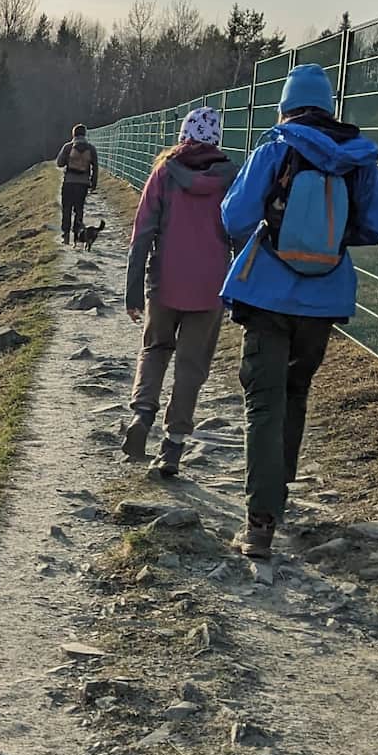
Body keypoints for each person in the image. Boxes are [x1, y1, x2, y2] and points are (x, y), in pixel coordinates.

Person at [219, 63, 378, 558]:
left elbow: (235, 216)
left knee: (263, 401)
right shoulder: (357, 158)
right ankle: (280, 498)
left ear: (285, 106)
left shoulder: (276, 146)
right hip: (325, 299)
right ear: (329, 106)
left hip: (268, 295)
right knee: (296, 393)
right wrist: (333, 239)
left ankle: (259, 522)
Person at [121, 106, 238, 477]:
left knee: (155, 349)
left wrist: (133, 292)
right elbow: (243, 233)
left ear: (183, 135)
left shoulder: (164, 173)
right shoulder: (232, 178)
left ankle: (142, 413)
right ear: (217, 139)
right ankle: (173, 445)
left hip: (165, 282)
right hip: (210, 287)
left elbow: (141, 236)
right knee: (191, 367)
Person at [55, 123, 99, 244]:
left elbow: (59, 163)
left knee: (66, 208)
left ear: (73, 134)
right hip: (83, 184)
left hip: (69, 182)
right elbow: (95, 167)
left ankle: (65, 234)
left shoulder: (68, 147)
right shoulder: (91, 148)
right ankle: (77, 233)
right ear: (85, 134)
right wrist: (93, 183)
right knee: (79, 209)